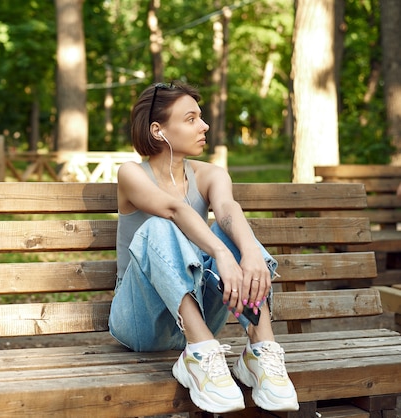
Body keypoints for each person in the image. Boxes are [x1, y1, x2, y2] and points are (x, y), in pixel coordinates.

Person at [108, 81, 299, 413]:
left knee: (234, 231)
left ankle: (260, 347)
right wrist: (222, 255)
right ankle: (199, 354)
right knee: (159, 226)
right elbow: (174, 209)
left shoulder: (211, 174)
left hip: (201, 314)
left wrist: (250, 253)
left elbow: (227, 210)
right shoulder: (131, 174)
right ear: (158, 130)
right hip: (140, 320)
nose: (204, 126)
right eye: (191, 118)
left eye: (201, 117)